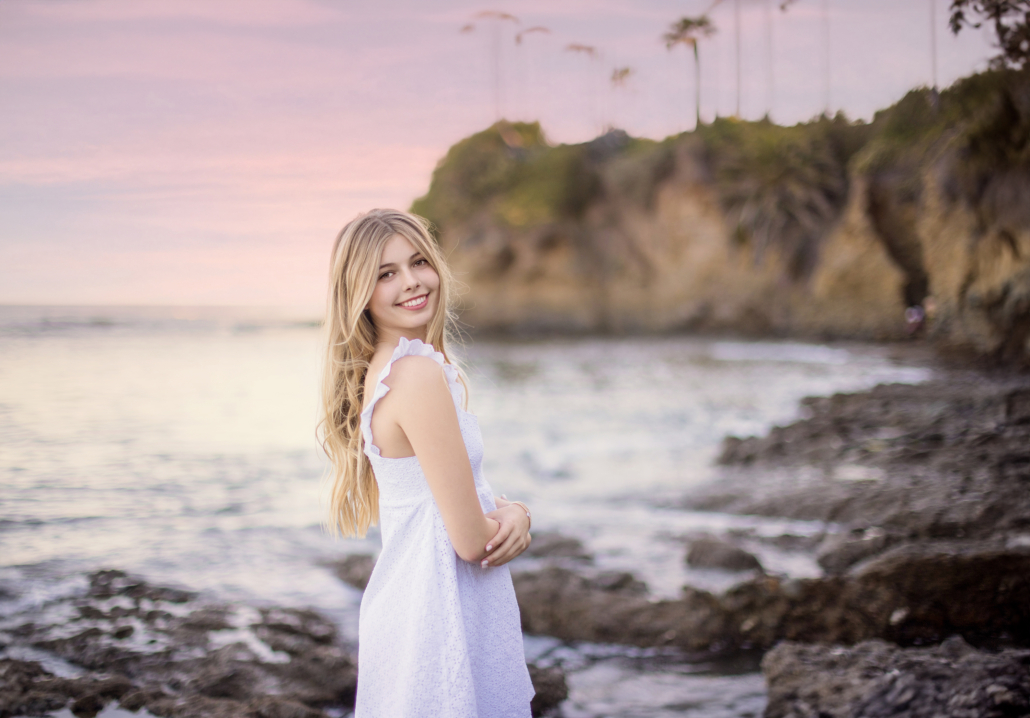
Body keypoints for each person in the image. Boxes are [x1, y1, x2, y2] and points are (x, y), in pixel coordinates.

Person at [318, 208, 536, 717]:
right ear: (358, 293)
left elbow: (444, 499)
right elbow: (472, 541)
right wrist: (519, 516)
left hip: (417, 607)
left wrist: (504, 510)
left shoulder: (392, 370)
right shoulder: (415, 375)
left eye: (419, 262)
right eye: (385, 273)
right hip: (438, 616)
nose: (412, 282)